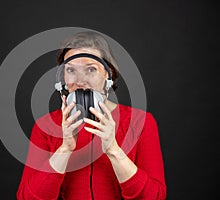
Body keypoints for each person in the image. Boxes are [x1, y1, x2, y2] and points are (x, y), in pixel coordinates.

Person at [16, 31, 167, 200]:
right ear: (63, 78)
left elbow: (155, 197)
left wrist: (114, 150)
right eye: (71, 70)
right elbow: (27, 197)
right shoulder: (46, 125)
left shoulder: (141, 122)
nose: (80, 80)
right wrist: (65, 149)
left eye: (90, 69)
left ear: (108, 74)